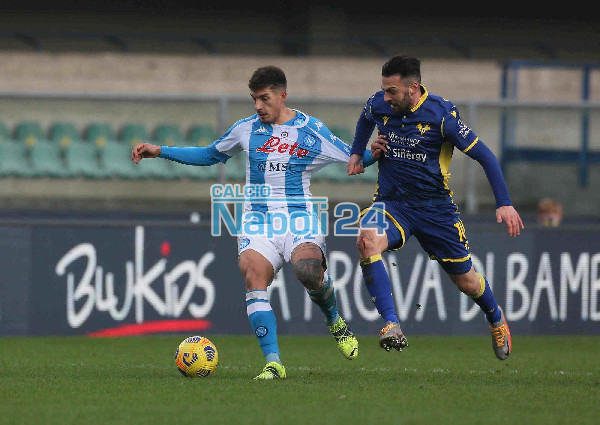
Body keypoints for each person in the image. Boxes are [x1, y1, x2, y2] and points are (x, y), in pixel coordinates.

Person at [132, 65, 377, 379]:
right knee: (253, 275)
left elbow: (353, 157)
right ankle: (273, 363)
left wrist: (375, 153)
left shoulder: (311, 130)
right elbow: (210, 154)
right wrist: (161, 151)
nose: (258, 106)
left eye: (264, 98)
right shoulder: (245, 129)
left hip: (299, 217)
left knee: (308, 271)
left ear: (282, 95)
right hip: (257, 222)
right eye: (254, 99)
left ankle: (335, 321)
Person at [347, 55, 524, 360]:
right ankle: (391, 324)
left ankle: (495, 316)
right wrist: (356, 153)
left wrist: (504, 203)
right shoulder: (379, 104)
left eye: (392, 91)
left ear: (413, 88)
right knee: (366, 239)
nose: (385, 97)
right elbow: (365, 118)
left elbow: (485, 156)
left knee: (467, 281)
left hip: (435, 210)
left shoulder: (442, 115)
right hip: (392, 203)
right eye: (384, 90)